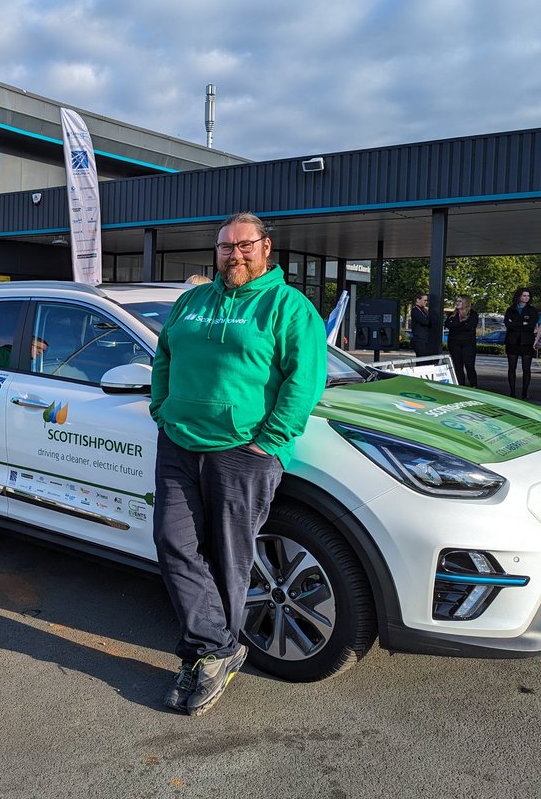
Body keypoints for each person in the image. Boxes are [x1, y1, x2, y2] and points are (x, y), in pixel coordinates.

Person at [150, 213, 326, 717]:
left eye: (244, 245)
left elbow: (303, 380)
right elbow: (164, 356)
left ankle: (205, 654)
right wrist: (161, 409)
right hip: (180, 443)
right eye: (225, 247)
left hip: (241, 450)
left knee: (230, 556)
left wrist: (269, 441)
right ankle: (218, 647)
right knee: (173, 542)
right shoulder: (192, 301)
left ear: (265, 247)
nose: (234, 255)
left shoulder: (288, 307)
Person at [503, 287, 539, 399]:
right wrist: (522, 323)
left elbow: (531, 325)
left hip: (526, 342)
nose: (526, 298)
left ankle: (525, 392)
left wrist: (517, 324)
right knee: (511, 367)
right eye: (524, 295)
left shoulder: (532, 310)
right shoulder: (510, 309)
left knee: (526, 368)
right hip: (512, 342)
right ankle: (512, 391)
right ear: (519, 296)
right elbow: (508, 324)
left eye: (528, 296)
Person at [444, 295, 478, 387]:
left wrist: (456, 325)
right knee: (458, 367)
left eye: (460, 301)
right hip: (454, 343)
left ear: (465, 302)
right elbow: (447, 324)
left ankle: (474, 386)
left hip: (468, 343)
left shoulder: (473, 314)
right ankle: (460, 386)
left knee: (469, 366)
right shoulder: (452, 314)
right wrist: (462, 324)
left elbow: (469, 326)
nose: (457, 303)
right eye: (457, 301)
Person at [410, 292, 435, 357]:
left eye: (427, 300)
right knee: (421, 360)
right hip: (419, 340)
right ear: (418, 300)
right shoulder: (415, 310)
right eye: (425, 300)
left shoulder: (424, 310)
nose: (426, 302)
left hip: (425, 339)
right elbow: (425, 322)